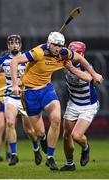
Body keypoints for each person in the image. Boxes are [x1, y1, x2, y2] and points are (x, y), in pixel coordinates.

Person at [10, 32, 103, 171]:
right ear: (49, 44)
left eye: (61, 46)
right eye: (56, 46)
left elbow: (81, 62)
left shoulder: (65, 55)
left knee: (56, 119)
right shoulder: (38, 52)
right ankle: (43, 140)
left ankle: (50, 158)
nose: (59, 49)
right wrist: (15, 85)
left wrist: (94, 74)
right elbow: (14, 61)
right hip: (30, 93)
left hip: (48, 90)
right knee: (40, 133)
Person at [0, 34, 42, 166]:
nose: (14, 45)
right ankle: (14, 155)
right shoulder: (3, 61)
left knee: (29, 131)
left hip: (25, 97)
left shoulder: (27, 58)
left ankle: (36, 147)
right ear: (8, 45)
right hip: (10, 97)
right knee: (10, 123)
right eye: (12, 43)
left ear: (20, 45)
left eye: (17, 43)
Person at [60, 41, 100, 171]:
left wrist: (71, 68)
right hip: (73, 104)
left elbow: (89, 78)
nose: (72, 55)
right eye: (71, 51)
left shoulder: (86, 66)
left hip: (88, 105)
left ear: (82, 54)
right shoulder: (63, 60)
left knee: (76, 136)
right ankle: (70, 164)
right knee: (66, 136)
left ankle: (85, 147)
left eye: (76, 52)